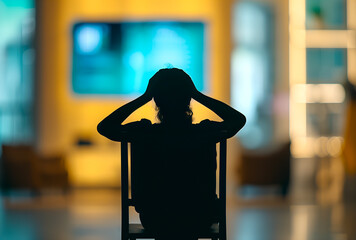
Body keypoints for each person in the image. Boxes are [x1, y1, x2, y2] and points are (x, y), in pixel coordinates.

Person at [97, 68, 246, 239]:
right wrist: (197, 94)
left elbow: (105, 127)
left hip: (155, 218)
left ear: (157, 101)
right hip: (199, 217)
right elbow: (238, 120)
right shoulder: (204, 132)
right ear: (188, 99)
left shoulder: (144, 133)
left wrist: (145, 97)